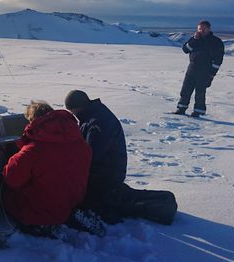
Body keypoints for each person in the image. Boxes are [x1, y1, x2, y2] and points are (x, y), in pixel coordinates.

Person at [65, 90, 178, 225]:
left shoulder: (98, 122)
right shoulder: (92, 115)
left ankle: (158, 205)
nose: (73, 115)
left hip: (107, 175)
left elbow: (91, 156)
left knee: (91, 202)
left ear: (78, 107)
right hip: (103, 171)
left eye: (72, 111)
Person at [2, 101, 92, 232]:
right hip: (74, 201)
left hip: (44, 207)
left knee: (6, 195)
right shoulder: (79, 141)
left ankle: (42, 224)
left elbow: (11, 178)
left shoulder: (33, 150)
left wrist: (12, 157)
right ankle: (67, 215)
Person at [174, 20, 225, 117]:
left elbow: (218, 60)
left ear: (209, 29)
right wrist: (194, 40)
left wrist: (211, 74)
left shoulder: (216, 42)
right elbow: (185, 50)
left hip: (205, 70)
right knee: (185, 90)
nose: (201, 31)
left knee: (200, 92)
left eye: (203, 29)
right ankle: (181, 109)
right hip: (192, 68)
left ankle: (198, 112)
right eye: (199, 29)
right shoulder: (195, 39)